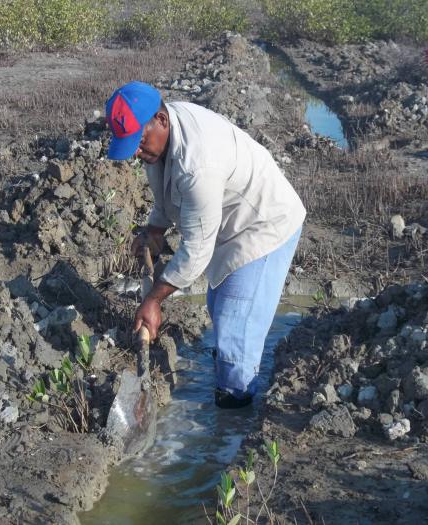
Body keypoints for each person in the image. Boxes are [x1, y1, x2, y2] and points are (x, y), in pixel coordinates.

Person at [105, 81, 306, 408]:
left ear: (161, 120)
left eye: (139, 142)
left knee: (234, 326)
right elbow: (166, 194)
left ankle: (234, 415)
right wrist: (154, 230)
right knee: (219, 308)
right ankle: (232, 371)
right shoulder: (161, 141)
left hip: (262, 224)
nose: (138, 153)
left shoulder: (198, 162)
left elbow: (197, 249)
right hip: (228, 224)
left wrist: (154, 299)